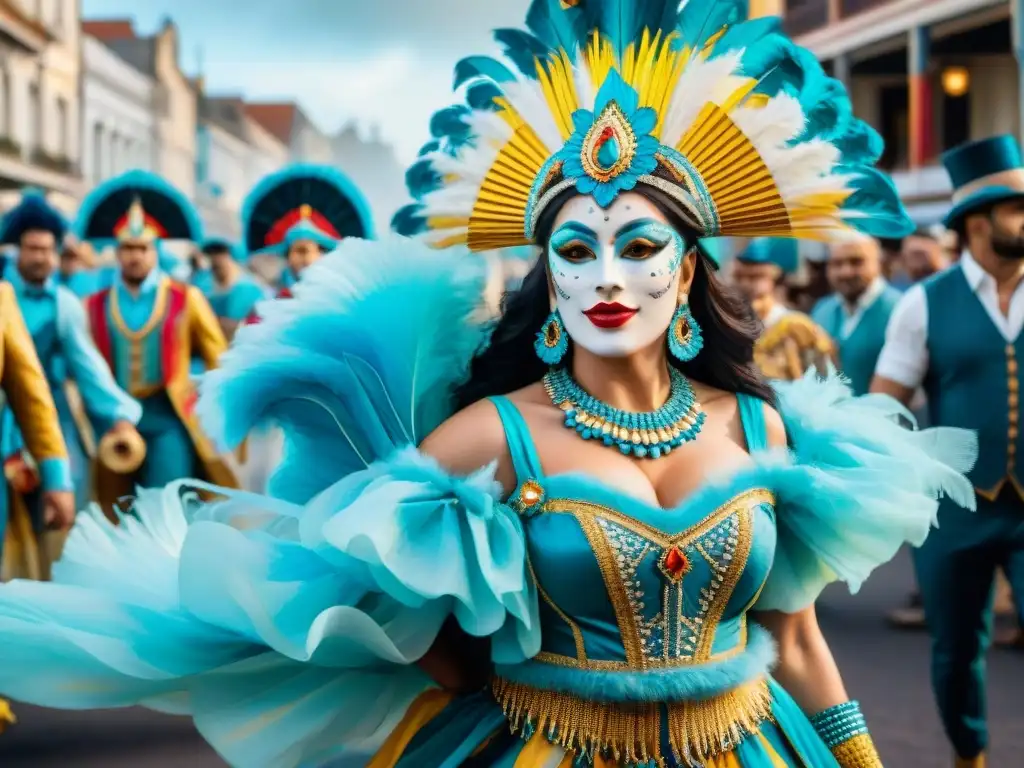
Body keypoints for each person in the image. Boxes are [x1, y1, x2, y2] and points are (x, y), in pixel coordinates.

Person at [0, 3, 976, 767]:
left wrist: (854, 756)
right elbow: (393, 610)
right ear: (546, 275)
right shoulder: (488, 436)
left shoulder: (761, 431)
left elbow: (794, 638)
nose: (604, 278)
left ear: (684, 272)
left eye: (638, 247)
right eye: (573, 251)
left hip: (754, 744)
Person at [871, 134, 1024, 768]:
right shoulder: (922, 303)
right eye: (1018, 207)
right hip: (953, 512)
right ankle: (970, 755)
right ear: (979, 220)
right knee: (955, 653)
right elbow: (885, 405)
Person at [73, 170, 237, 512]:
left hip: (167, 418)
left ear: (156, 251)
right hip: (112, 422)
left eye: (143, 248)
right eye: (128, 248)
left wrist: (205, 399)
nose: (135, 256)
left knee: (165, 510)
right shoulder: (93, 305)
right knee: (116, 514)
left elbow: (218, 358)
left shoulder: (185, 298)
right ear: (117, 252)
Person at [0, 191, 142, 569]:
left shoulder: (62, 304)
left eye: (48, 249)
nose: (41, 257)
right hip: (4, 423)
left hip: (48, 415)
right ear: (17, 251)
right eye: (32, 248)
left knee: (61, 509)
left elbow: (88, 366)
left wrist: (118, 415)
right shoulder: (4, 295)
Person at [240, 164, 375, 323]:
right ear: (287, 256)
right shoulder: (265, 307)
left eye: (312, 251)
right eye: (298, 251)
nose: (306, 259)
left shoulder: (343, 306)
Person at [731, 238, 835, 380]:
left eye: (755, 277)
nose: (745, 285)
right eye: (738, 277)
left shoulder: (797, 326)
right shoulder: (729, 327)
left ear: (775, 280)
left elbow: (825, 378)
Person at [812, 236, 902, 396]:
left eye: (856, 262)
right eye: (836, 263)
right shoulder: (822, 311)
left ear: (879, 263)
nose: (845, 272)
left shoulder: (899, 309)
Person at [198, 238, 266, 342]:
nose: (216, 258)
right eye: (211, 253)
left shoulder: (248, 288)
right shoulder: (203, 283)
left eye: (220, 252)